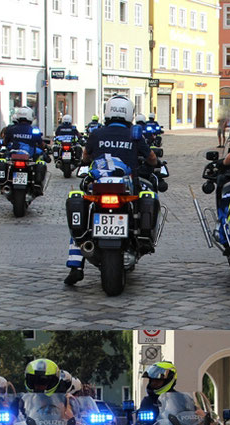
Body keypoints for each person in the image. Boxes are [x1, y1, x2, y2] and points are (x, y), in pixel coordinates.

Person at [64, 95, 158, 286]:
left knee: (84, 213)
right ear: (129, 114)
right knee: (141, 205)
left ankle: (75, 265)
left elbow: (85, 156)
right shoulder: (135, 133)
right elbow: (152, 158)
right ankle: (140, 237)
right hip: (127, 188)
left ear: (107, 112)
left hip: (99, 188)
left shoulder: (97, 133)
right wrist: (154, 162)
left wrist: (86, 161)